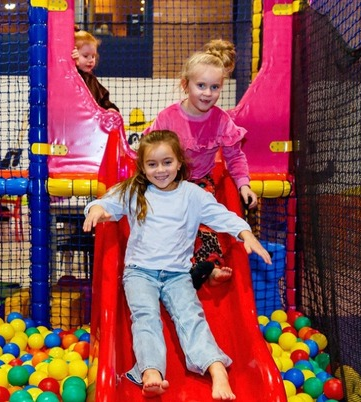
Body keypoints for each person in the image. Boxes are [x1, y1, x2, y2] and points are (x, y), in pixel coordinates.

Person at [83, 130, 271, 400]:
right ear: (142, 167)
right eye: (152, 164)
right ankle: (151, 371)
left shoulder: (192, 195)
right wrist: (96, 212)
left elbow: (221, 216)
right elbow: (106, 203)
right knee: (145, 318)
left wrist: (246, 234)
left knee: (191, 317)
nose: (160, 170)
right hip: (139, 273)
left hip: (178, 275)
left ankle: (216, 368)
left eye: (167, 162)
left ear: (180, 162)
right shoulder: (135, 192)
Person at [143, 39, 256, 289]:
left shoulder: (221, 121)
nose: (207, 93)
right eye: (201, 85)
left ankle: (209, 267)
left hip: (201, 182)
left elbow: (235, 156)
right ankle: (173, 268)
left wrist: (244, 185)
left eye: (214, 87)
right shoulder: (168, 117)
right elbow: (149, 149)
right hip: (169, 182)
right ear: (186, 85)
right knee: (170, 223)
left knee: (206, 222)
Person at [71, 29, 119, 112]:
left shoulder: (91, 79)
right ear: (75, 55)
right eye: (85, 56)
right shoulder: (72, 77)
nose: (91, 60)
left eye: (93, 56)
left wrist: (110, 108)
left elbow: (103, 98)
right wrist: (73, 63)